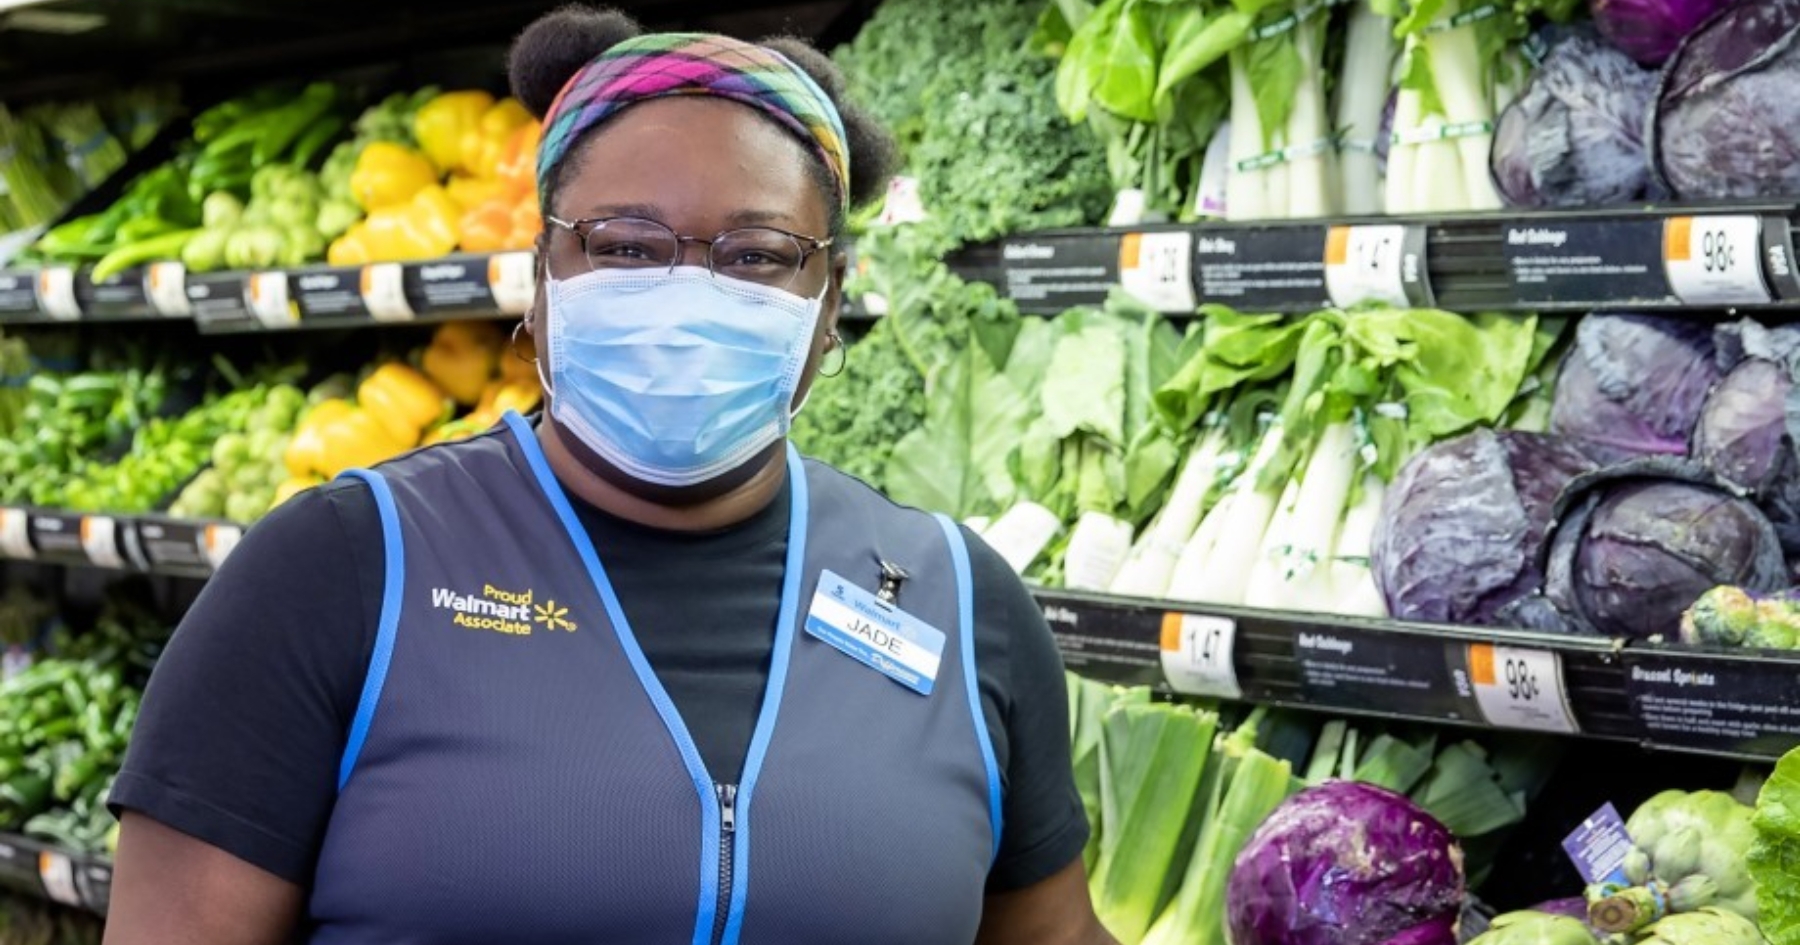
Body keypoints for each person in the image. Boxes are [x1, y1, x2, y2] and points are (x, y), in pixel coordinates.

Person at [104, 7, 1114, 944]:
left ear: (829, 301)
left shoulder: (960, 602)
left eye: (756, 256)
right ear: (541, 274)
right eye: (625, 246)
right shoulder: (340, 571)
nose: (685, 297)